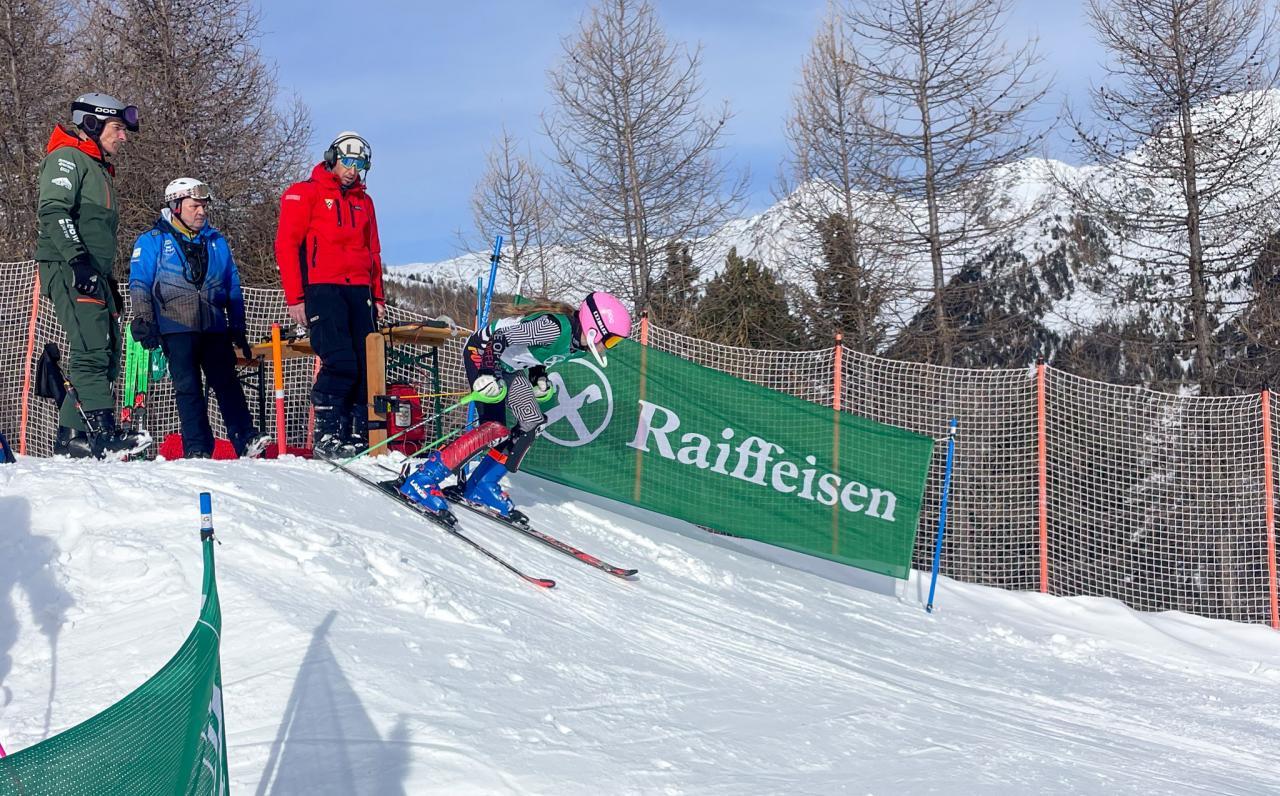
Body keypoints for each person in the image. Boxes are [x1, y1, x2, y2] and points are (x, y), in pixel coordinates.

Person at [398, 292, 632, 523]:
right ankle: (422, 479)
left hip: (507, 365)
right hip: (483, 352)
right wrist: (487, 373)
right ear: (594, 326)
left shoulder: (575, 344)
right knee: (494, 427)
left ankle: (481, 485)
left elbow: (535, 353)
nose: (608, 347)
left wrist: (538, 375)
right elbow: (499, 338)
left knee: (532, 424)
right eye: (610, 339)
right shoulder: (554, 328)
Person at [35, 92, 149, 459]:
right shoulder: (66, 158)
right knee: (91, 350)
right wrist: (79, 261)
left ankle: (73, 437)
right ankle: (103, 433)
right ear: (91, 124)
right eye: (117, 128)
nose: (124, 137)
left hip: (91, 270)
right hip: (68, 266)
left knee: (110, 348)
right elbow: (54, 211)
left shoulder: (97, 167)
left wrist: (105, 277)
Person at [129, 178, 269, 459]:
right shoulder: (153, 240)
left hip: (213, 325)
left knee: (227, 382)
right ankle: (196, 447)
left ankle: (246, 438)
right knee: (188, 387)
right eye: (195, 206)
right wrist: (144, 319)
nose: (202, 212)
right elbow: (140, 282)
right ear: (176, 206)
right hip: (175, 326)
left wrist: (237, 325)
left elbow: (232, 284)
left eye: (204, 206)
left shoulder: (216, 241)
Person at [273, 131, 385, 459]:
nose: (352, 169)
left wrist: (377, 297)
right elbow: (286, 245)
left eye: (360, 164)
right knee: (340, 361)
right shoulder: (303, 193)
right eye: (347, 161)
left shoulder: (365, 202)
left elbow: (373, 251)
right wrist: (295, 297)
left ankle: (357, 433)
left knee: (367, 366)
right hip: (323, 288)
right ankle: (327, 434)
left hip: (359, 290)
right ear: (333, 158)